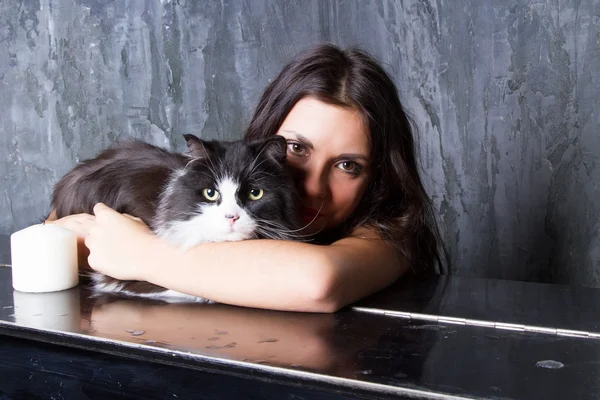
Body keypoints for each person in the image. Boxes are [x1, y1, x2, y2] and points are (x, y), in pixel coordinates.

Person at [46, 43, 447, 313]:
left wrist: (141, 252)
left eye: (348, 166)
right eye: (297, 149)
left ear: (376, 178)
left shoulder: (391, 237)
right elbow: (56, 235)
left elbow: (318, 280)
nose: (311, 185)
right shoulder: (228, 187)